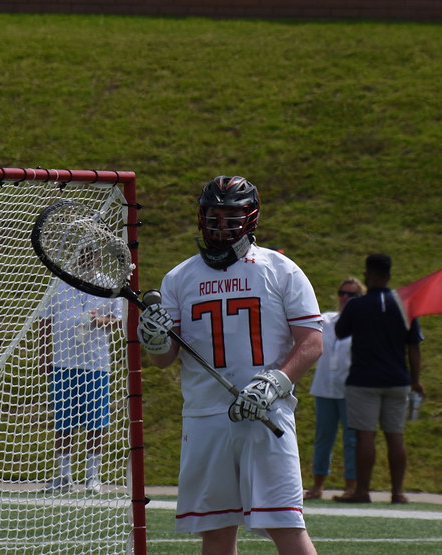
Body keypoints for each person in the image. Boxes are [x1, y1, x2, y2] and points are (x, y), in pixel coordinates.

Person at [137, 175, 323, 555]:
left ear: (250, 217)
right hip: (205, 418)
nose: (221, 224)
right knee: (217, 531)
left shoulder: (281, 269)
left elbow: (312, 342)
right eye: (213, 215)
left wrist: (275, 382)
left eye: (230, 215)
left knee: (284, 523)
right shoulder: (179, 277)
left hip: (265, 414)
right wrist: (154, 339)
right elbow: (162, 359)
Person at [334, 253, 424, 504]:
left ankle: (362, 491)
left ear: (367, 275)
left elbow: (341, 333)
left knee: (366, 435)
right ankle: (397, 492)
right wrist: (415, 381)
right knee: (395, 435)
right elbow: (414, 347)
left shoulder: (357, 305)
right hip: (398, 379)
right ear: (390, 275)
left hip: (364, 379)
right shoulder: (405, 304)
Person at [39, 272, 123, 495]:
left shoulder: (108, 283)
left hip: (96, 363)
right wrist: (43, 354)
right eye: (83, 253)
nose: (86, 258)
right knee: (63, 421)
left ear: (97, 258)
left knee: (96, 422)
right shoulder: (59, 282)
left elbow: (119, 320)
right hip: (63, 361)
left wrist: (99, 321)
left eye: (91, 254)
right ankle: (64, 475)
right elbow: (45, 319)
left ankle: (92, 477)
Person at [304, 276, 365, 501]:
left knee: (351, 440)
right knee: (323, 438)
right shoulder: (326, 320)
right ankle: (318, 485)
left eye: (352, 295)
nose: (345, 299)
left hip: (350, 389)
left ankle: (352, 485)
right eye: (343, 293)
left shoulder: (363, 324)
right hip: (324, 388)